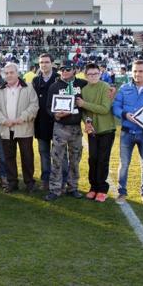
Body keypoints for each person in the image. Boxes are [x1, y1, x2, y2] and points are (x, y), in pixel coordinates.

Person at [113, 60, 143, 206]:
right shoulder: (124, 88)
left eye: (140, 71)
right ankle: (122, 193)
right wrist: (125, 114)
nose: (137, 74)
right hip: (127, 132)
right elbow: (115, 107)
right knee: (124, 164)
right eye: (134, 71)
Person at [45, 61, 86, 201]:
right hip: (60, 127)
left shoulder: (82, 84)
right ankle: (55, 189)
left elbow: (95, 88)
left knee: (75, 159)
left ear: (74, 70)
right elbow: (48, 107)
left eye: (67, 69)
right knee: (57, 159)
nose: (64, 71)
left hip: (76, 127)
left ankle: (72, 187)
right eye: (62, 69)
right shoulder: (54, 86)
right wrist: (55, 114)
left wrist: (110, 88)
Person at [0, 62, 39, 193]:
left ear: (17, 73)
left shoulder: (28, 87)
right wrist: (4, 120)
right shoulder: (0, 90)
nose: (9, 75)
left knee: (27, 157)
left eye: (11, 72)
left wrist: (22, 118)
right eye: (6, 73)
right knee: (9, 157)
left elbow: (34, 105)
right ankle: (12, 182)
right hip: (6, 129)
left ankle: (29, 183)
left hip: (24, 129)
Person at [76, 63, 116, 203]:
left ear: (100, 74)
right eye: (90, 74)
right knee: (92, 159)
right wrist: (86, 121)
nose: (93, 76)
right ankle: (93, 187)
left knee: (102, 159)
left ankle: (102, 189)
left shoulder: (105, 87)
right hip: (92, 130)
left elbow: (105, 109)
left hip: (106, 129)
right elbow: (84, 112)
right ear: (86, 75)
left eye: (96, 74)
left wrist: (84, 104)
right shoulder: (84, 89)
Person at [32, 54, 59, 190]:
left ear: (52, 63)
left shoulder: (60, 79)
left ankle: (61, 180)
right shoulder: (35, 81)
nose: (43, 65)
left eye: (46, 62)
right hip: (41, 122)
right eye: (41, 62)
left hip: (58, 122)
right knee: (44, 153)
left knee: (59, 154)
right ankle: (46, 180)